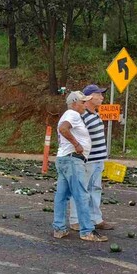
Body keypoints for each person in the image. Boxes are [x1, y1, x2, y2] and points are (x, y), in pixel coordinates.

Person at [52, 91, 108, 242]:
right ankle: (87, 231)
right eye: (83, 102)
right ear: (75, 103)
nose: (85, 105)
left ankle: (59, 228)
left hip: (64, 159)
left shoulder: (69, 115)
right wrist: (77, 144)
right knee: (81, 195)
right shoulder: (72, 114)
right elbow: (64, 129)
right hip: (73, 159)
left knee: (62, 196)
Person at [69, 84, 115, 231]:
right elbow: (75, 134)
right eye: (98, 94)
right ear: (89, 97)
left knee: (95, 189)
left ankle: (96, 218)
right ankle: (75, 220)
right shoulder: (83, 116)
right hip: (87, 159)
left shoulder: (95, 114)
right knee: (81, 189)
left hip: (98, 159)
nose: (102, 97)